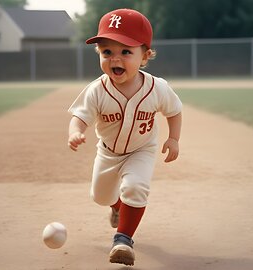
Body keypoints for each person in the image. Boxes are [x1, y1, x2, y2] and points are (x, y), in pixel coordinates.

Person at [67, 8, 183, 266]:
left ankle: (123, 239)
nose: (115, 59)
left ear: (145, 56)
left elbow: (174, 111)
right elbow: (80, 116)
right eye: (107, 52)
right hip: (107, 152)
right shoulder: (97, 90)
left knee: (135, 187)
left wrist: (173, 138)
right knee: (100, 196)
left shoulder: (157, 88)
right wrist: (75, 131)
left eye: (126, 51)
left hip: (142, 150)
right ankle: (117, 206)